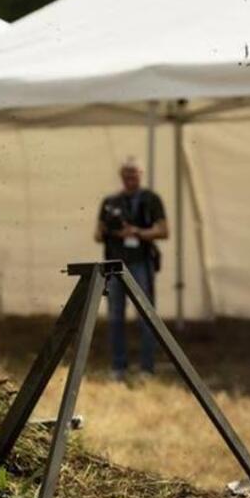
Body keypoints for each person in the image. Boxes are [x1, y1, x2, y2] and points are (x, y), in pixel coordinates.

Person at [94, 157, 168, 379]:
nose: (130, 179)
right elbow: (98, 234)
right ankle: (119, 367)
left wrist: (137, 232)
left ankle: (147, 368)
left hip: (141, 263)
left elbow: (163, 231)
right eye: (126, 175)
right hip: (115, 265)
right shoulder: (110, 202)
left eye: (133, 174)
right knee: (115, 316)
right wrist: (114, 231)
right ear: (121, 176)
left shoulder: (151, 200)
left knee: (146, 315)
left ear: (140, 175)